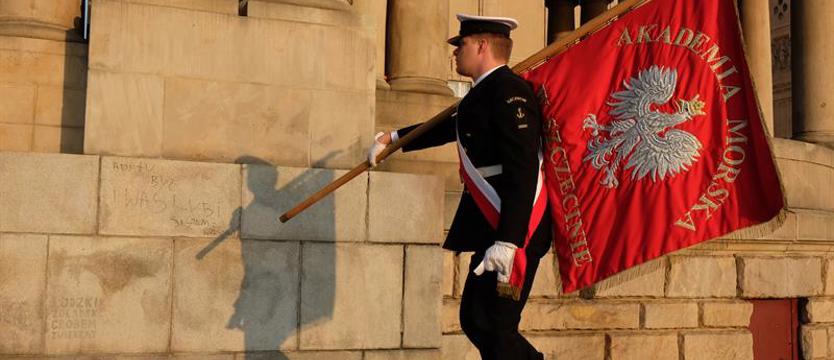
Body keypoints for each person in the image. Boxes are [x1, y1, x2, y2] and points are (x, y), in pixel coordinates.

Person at [368, 14, 551, 360]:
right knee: (476, 319)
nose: (454, 52)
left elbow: (523, 167)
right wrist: (393, 138)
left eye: (461, 45)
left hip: (515, 228)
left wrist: (508, 240)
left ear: (481, 46)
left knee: (493, 325)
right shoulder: (484, 94)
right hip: (493, 225)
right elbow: (449, 127)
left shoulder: (509, 91)